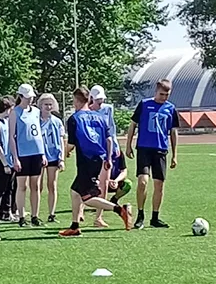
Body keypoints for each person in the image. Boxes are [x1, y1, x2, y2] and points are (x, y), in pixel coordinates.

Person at [59, 87, 132, 237]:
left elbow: (71, 144)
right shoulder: (100, 117)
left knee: (87, 198)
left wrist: (65, 154)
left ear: (76, 100)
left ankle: (120, 210)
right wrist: (108, 158)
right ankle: (74, 226)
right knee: (75, 192)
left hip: (86, 160)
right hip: (99, 159)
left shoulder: (74, 118)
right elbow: (109, 139)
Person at [126, 79, 179, 229]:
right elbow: (133, 125)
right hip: (144, 149)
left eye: (167, 95)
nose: (164, 97)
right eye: (162, 94)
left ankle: (155, 217)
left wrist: (175, 155)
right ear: (156, 91)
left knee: (159, 184)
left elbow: (173, 132)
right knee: (142, 182)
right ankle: (140, 215)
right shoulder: (144, 104)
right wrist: (128, 145)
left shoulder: (171, 109)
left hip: (160, 150)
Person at [9, 83, 47, 227]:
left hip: (36, 152)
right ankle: (21, 216)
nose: (30, 99)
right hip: (23, 153)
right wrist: (15, 157)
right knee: (22, 186)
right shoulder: (15, 112)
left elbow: (39, 133)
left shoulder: (36, 111)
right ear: (20, 96)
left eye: (31, 97)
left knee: (35, 186)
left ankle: (35, 216)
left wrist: (43, 154)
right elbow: (12, 136)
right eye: (27, 97)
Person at [89, 85, 120, 227]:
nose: (100, 102)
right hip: (91, 150)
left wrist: (115, 145)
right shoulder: (86, 111)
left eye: (101, 99)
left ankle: (99, 217)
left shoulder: (108, 109)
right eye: (97, 100)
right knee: (86, 183)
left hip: (106, 149)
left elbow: (112, 128)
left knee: (104, 183)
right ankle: (79, 212)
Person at [38, 93, 65, 223]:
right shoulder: (36, 121)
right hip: (39, 155)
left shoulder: (57, 121)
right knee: (37, 186)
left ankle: (52, 214)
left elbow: (61, 140)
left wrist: (61, 158)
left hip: (53, 155)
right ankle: (35, 214)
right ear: (40, 105)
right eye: (46, 104)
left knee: (52, 185)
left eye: (50, 104)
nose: (48, 107)